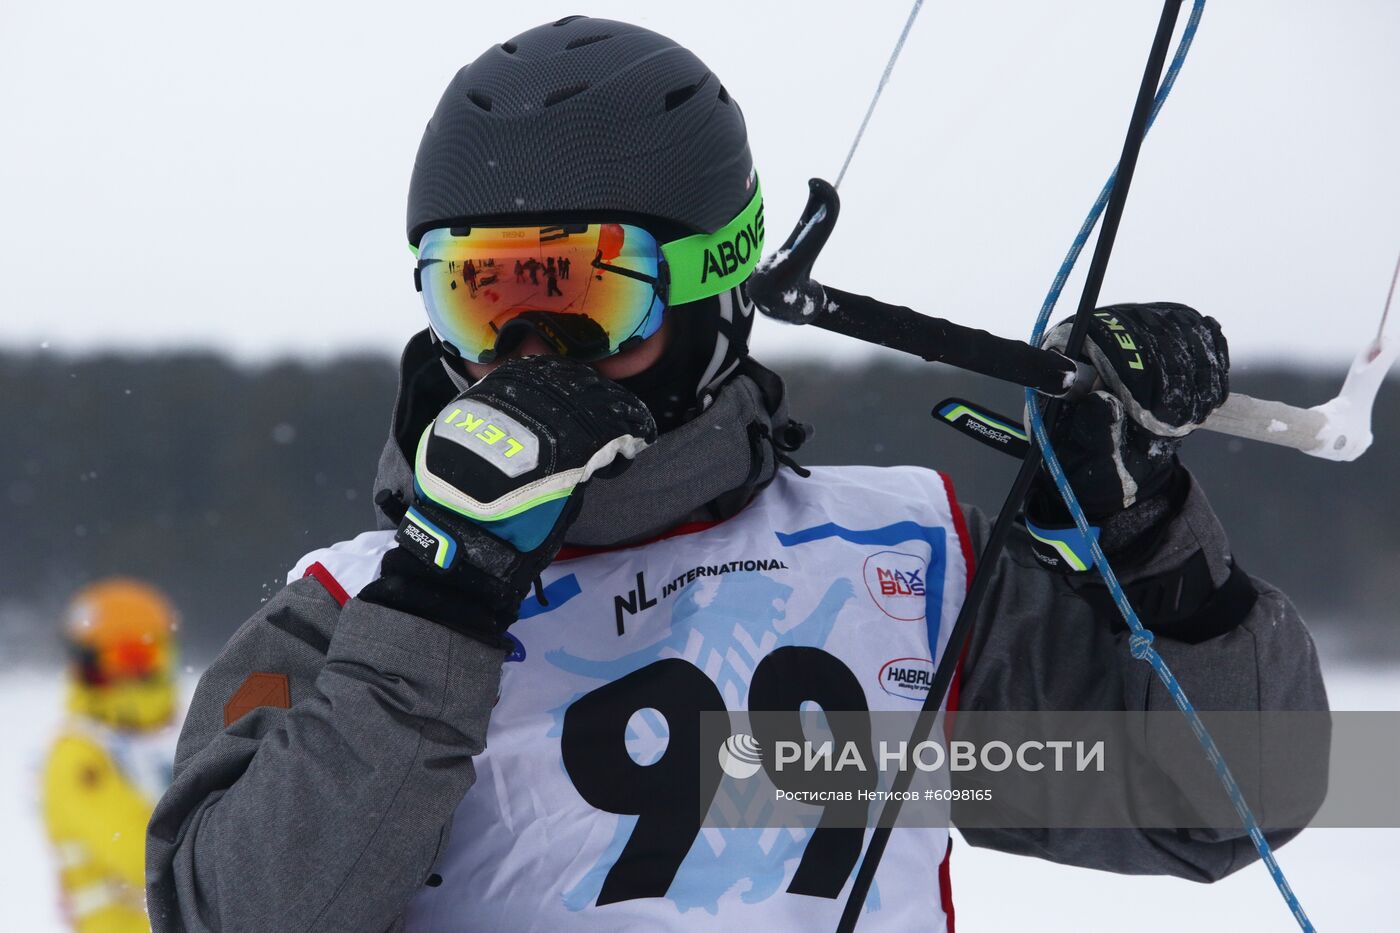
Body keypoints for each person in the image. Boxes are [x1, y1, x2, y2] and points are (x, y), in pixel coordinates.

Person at [147, 17, 1327, 932]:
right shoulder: (345, 612)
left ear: (712, 296)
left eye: (587, 298)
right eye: (480, 297)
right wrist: (441, 602)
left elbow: (1228, 805)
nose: (528, 358)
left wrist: (1148, 540)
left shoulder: (905, 565)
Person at [45, 578, 180, 932]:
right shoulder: (80, 754)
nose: (143, 671)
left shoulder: (177, 735)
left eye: (151, 655)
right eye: (128, 657)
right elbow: (145, 859)